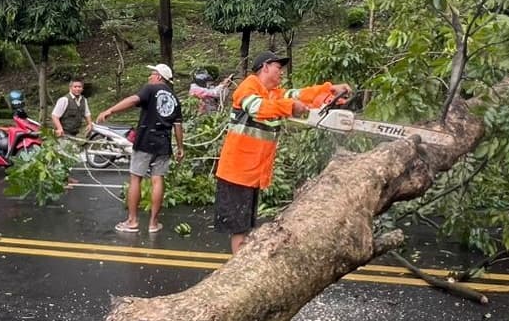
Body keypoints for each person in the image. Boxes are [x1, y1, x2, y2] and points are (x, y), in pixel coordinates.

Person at [214, 52, 350, 254]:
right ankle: (238, 273)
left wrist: (330, 91)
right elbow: (257, 108)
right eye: (278, 68)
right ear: (265, 67)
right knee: (239, 230)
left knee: (246, 228)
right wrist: (289, 107)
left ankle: (241, 268)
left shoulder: (273, 93)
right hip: (236, 173)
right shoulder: (248, 88)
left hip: (251, 175)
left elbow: (299, 95)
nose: (281, 73)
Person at [97, 64, 184, 233]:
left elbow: (133, 100)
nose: (149, 77)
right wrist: (181, 147)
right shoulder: (174, 97)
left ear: (159, 77)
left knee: (136, 178)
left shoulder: (151, 88)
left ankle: (132, 221)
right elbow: (178, 125)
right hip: (163, 143)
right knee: (158, 180)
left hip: (145, 139)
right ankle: (153, 223)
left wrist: (110, 110)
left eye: (152, 74)